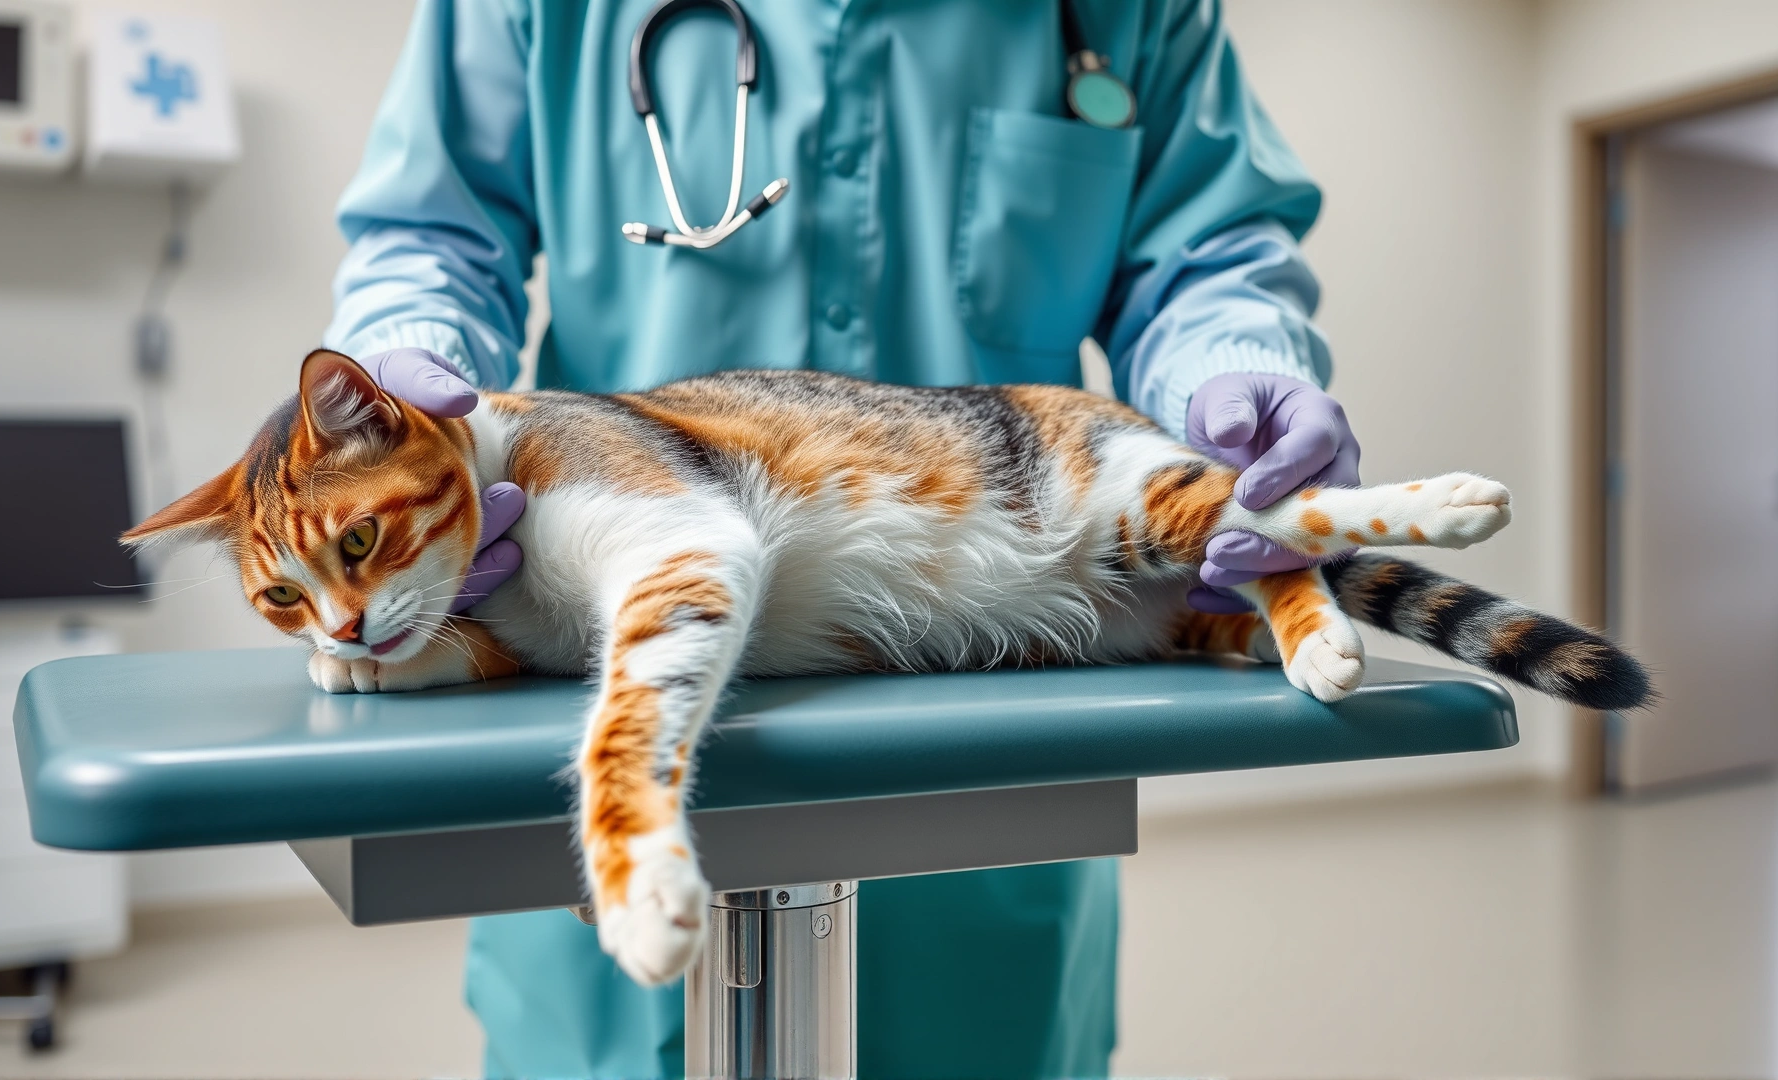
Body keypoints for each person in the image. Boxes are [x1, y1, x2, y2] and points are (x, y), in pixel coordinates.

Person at [322, 1, 1360, 1075]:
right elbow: (434, 235)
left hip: (985, 744)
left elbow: (1204, 254)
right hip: (601, 666)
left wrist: (1236, 378)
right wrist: (407, 396)